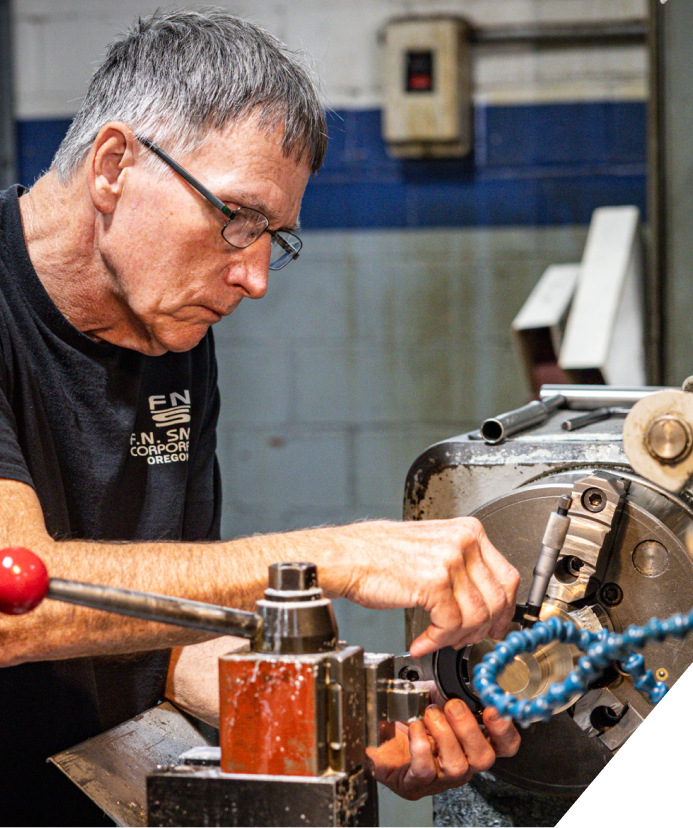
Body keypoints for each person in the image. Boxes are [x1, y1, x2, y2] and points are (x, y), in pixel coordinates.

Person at [0, 8, 520, 825]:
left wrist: (363, 717)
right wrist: (332, 555)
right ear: (112, 166)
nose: (253, 277)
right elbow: (14, 602)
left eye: (272, 237)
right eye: (234, 219)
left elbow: (164, 641)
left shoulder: (169, 327)